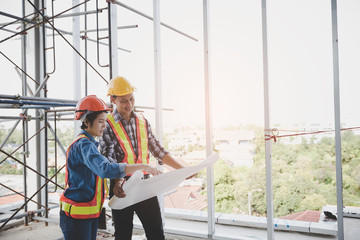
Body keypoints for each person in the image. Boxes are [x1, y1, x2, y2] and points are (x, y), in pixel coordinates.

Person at [99, 76, 194, 240]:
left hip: (144, 183)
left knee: (156, 232)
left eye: (131, 99)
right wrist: (117, 181)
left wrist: (182, 169)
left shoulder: (142, 121)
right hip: (121, 186)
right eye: (123, 101)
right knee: (123, 234)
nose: (129, 104)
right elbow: (110, 159)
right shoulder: (107, 124)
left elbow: (158, 151)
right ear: (113, 99)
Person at [59, 95, 162, 240]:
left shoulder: (90, 144)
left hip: (87, 213)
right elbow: (106, 169)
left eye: (105, 121)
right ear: (87, 122)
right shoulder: (84, 145)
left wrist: (119, 180)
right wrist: (143, 166)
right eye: (101, 122)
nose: (104, 126)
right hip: (77, 215)